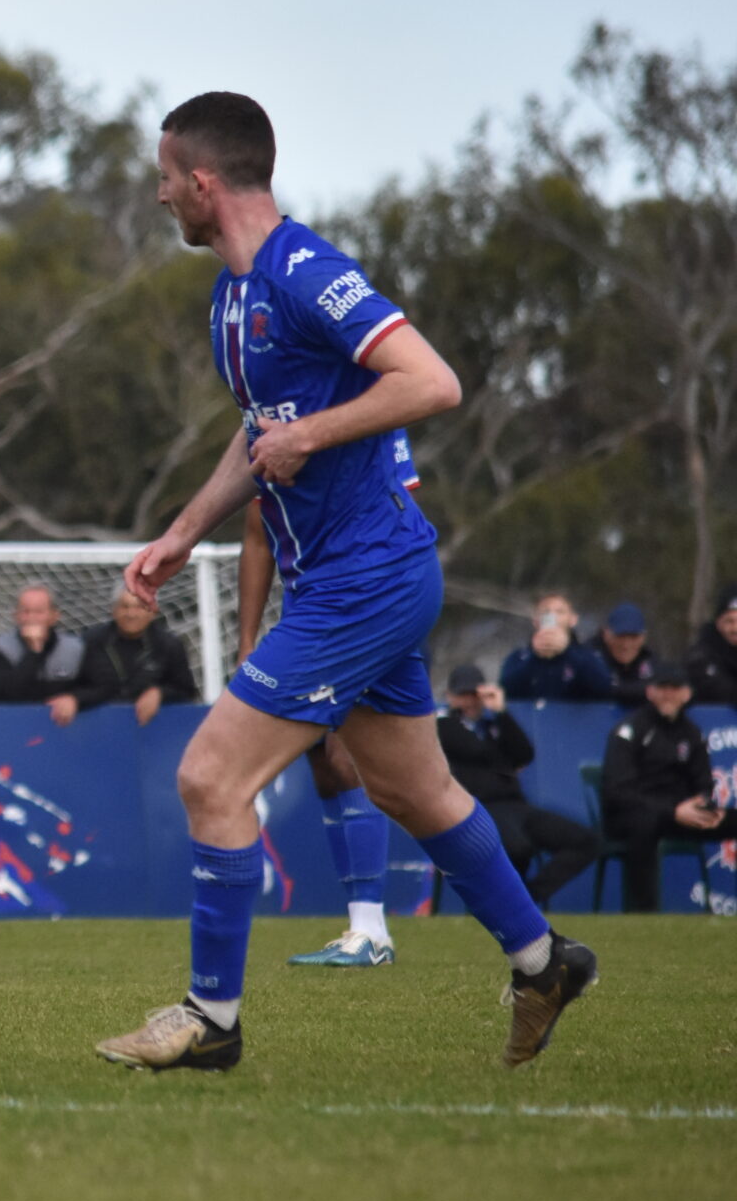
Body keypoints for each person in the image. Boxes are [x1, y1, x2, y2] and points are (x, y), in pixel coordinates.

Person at [99, 91, 592, 1074]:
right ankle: (544, 961)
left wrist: (311, 434)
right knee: (416, 791)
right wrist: (178, 533)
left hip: (366, 578)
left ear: (202, 181)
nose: (159, 198)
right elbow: (258, 439)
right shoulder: (231, 297)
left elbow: (430, 381)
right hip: (343, 578)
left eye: (163, 179)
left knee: (208, 776)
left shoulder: (305, 271)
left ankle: (212, 1017)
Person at [239, 498, 400, 967]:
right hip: (307, 625)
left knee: (371, 767)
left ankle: (373, 930)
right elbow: (256, 535)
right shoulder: (269, 453)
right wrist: (246, 641)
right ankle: (365, 927)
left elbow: (404, 511)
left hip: (364, 616)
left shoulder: (365, 444)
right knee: (325, 762)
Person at [437, 664, 598, 907]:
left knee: (585, 841)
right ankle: (510, 905)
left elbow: (524, 754)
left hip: (515, 804)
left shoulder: (494, 725)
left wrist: (502, 713)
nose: (469, 702)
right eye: (463, 695)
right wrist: (503, 757)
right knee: (518, 848)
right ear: (450, 697)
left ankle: (529, 898)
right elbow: (473, 749)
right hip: (479, 807)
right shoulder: (444, 725)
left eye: (474, 694)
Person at [601, 663, 735, 912]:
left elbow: (704, 782)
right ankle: (642, 912)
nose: (669, 695)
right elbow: (617, 791)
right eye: (663, 688)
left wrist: (706, 807)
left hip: (683, 815)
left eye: (676, 688)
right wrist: (672, 811)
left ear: (687, 693)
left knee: (731, 818)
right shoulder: (631, 730)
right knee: (644, 824)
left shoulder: (692, 733)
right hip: (635, 815)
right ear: (650, 691)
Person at [72, 589, 199, 723]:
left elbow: (187, 691)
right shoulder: (91, 641)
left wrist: (160, 693)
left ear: (152, 611)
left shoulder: (169, 645)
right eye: (125, 607)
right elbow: (74, 685)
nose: (131, 614)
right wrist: (74, 698)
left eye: (139, 607)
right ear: (113, 610)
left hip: (152, 728)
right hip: (97, 724)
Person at [0, 584, 82, 725]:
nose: (31, 618)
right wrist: (34, 651)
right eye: (25, 611)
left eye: (39, 611)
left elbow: (96, 687)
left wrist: (75, 698)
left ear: (54, 616)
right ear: (16, 615)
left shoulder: (75, 648)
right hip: (11, 726)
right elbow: (7, 694)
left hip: (63, 728)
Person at [497, 592, 615, 703]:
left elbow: (604, 689)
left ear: (573, 619)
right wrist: (535, 656)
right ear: (535, 620)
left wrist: (567, 651)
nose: (552, 617)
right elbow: (506, 692)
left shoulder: (588, 655)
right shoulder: (519, 657)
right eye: (545, 612)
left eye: (560, 612)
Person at [593, 603, 657, 707]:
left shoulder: (649, 659)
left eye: (633, 637)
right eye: (620, 636)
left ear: (643, 637)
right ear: (605, 634)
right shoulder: (589, 658)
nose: (626, 645)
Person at [688, 585, 737, 708]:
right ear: (718, 622)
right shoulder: (701, 654)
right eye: (729, 621)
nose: (735, 629)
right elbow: (719, 690)